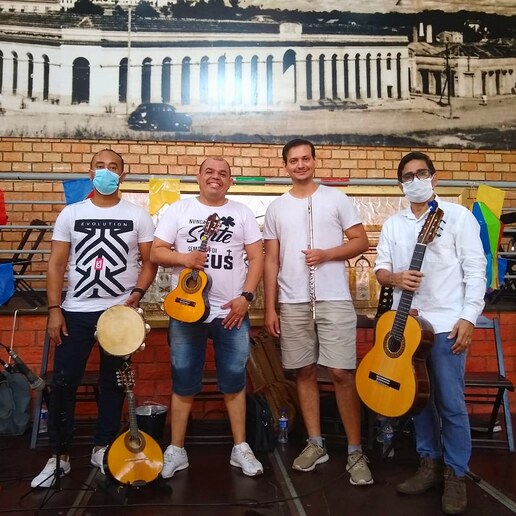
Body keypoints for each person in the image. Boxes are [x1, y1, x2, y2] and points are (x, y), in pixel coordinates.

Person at [32, 149, 157, 488]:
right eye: (100, 166)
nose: (106, 172)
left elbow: (149, 261)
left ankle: (102, 448)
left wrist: (137, 295)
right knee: (63, 384)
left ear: (123, 176)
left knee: (113, 384)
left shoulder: (139, 215)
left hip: (119, 314)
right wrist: (54, 309)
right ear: (90, 173)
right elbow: (56, 264)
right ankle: (58, 456)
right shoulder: (71, 213)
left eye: (113, 167)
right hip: (75, 312)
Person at [374, 151, 486, 515]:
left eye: (421, 173)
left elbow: (476, 270)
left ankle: (456, 473)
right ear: (400, 184)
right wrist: (395, 278)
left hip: (447, 326)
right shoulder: (393, 224)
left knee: (450, 404)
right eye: (407, 176)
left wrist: (469, 317)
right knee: (417, 401)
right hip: (408, 327)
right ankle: (429, 463)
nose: (415, 180)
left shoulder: (458, 217)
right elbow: (381, 270)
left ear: (434, 178)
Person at [263, 138, 373, 486]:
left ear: (314, 161)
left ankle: (355, 451)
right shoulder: (276, 208)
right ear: (286, 166)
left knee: (341, 372)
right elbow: (270, 259)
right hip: (292, 300)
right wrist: (270, 306)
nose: (300, 165)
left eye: (305, 159)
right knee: (304, 372)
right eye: (293, 160)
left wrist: (327, 254)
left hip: (334, 297)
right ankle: (316, 444)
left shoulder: (336, 199)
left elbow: (361, 241)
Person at [151, 156, 264, 478]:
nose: (216, 177)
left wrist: (246, 297)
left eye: (223, 174)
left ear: (230, 181)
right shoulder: (179, 211)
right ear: (198, 177)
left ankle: (240, 447)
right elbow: (156, 251)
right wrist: (184, 257)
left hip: (231, 311)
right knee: (184, 380)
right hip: (186, 310)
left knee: (234, 380)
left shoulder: (241, 213)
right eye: (209, 172)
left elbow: (256, 258)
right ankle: (176, 449)